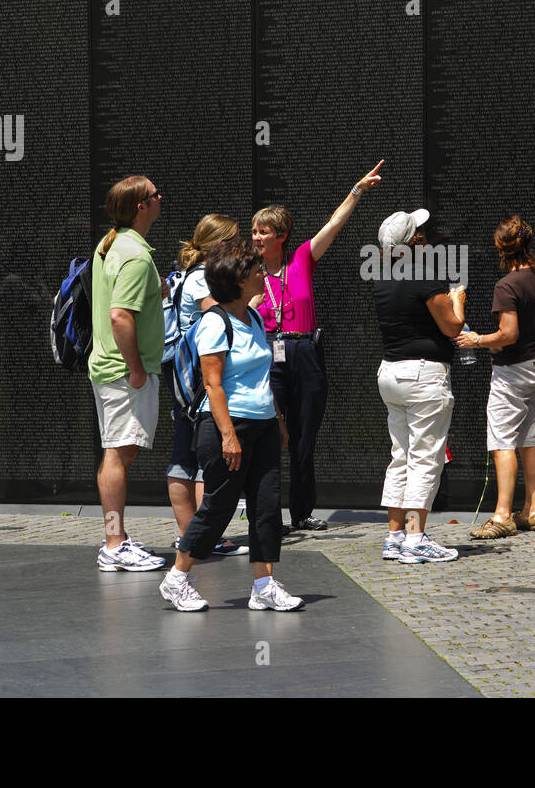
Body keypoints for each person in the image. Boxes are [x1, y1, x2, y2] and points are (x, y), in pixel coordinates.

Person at [159, 239, 302, 612]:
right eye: (256, 266)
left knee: (266, 506)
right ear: (239, 279)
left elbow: (261, 377)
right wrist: (228, 436)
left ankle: (264, 585)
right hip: (227, 426)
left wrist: (279, 421)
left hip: (264, 425)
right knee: (218, 507)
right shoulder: (214, 322)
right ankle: (177, 579)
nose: (262, 271)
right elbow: (213, 384)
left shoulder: (253, 318)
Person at [252, 160, 384, 532]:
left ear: (281, 235)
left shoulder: (301, 259)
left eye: (264, 232)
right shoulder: (248, 270)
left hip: (305, 351)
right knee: (269, 435)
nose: (257, 238)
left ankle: (302, 512)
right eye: (254, 232)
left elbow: (334, 224)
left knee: (304, 436)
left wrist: (356, 190)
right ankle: (267, 515)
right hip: (267, 354)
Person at [372, 209, 465, 563]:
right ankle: (415, 538)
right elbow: (453, 327)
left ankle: (395, 536)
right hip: (423, 376)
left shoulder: (382, 277)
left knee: (401, 457)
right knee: (425, 459)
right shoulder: (423, 276)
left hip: (391, 373)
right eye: (420, 233)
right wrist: (458, 297)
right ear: (414, 241)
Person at [457, 215, 535, 539]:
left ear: (501, 247)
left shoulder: (506, 285)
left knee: (502, 441)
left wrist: (478, 340)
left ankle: (503, 515)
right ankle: (532, 510)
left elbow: (508, 334)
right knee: (530, 437)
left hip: (513, 370)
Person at [89, 176, 167, 572]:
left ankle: (115, 539)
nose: (160, 198)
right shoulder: (136, 255)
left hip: (110, 368)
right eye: (155, 195)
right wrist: (136, 368)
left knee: (117, 451)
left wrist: (157, 290)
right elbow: (120, 315)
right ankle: (114, 544)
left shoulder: (113, 243)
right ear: (141, 206)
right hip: (124, 372)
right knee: (119, 453)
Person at [164, 214, 245, 556]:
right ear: (221, 244)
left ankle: (192, 535)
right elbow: (223, 313)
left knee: (186, 453)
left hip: (187, 376)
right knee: (200, 457)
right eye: (237, 241)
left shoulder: (193, 274)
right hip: (196, 378)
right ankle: (200, 536)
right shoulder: (201, 278)